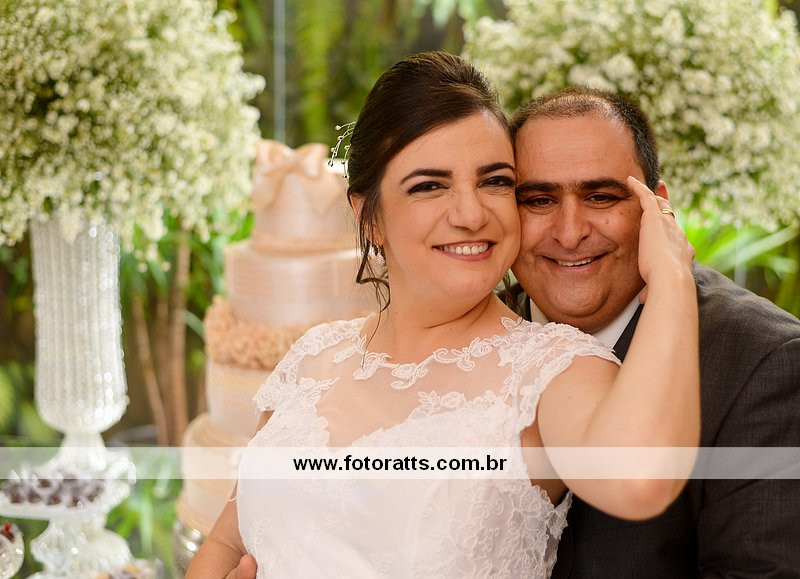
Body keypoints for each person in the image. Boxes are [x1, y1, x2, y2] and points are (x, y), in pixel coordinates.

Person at [186, 52, 698, 578]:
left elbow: (639, 482)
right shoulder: (313, 358)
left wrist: (672, 278)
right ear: (369, 216)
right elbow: (227, 541)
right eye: (430, 185)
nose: (471, 214)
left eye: (495, 181)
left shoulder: (554, 370)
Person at [507, 87, 800, 578]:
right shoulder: (468, 341)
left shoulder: (766, 361)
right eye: (538, 200)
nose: (570, 231)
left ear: (657, 208)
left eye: (601, 196)